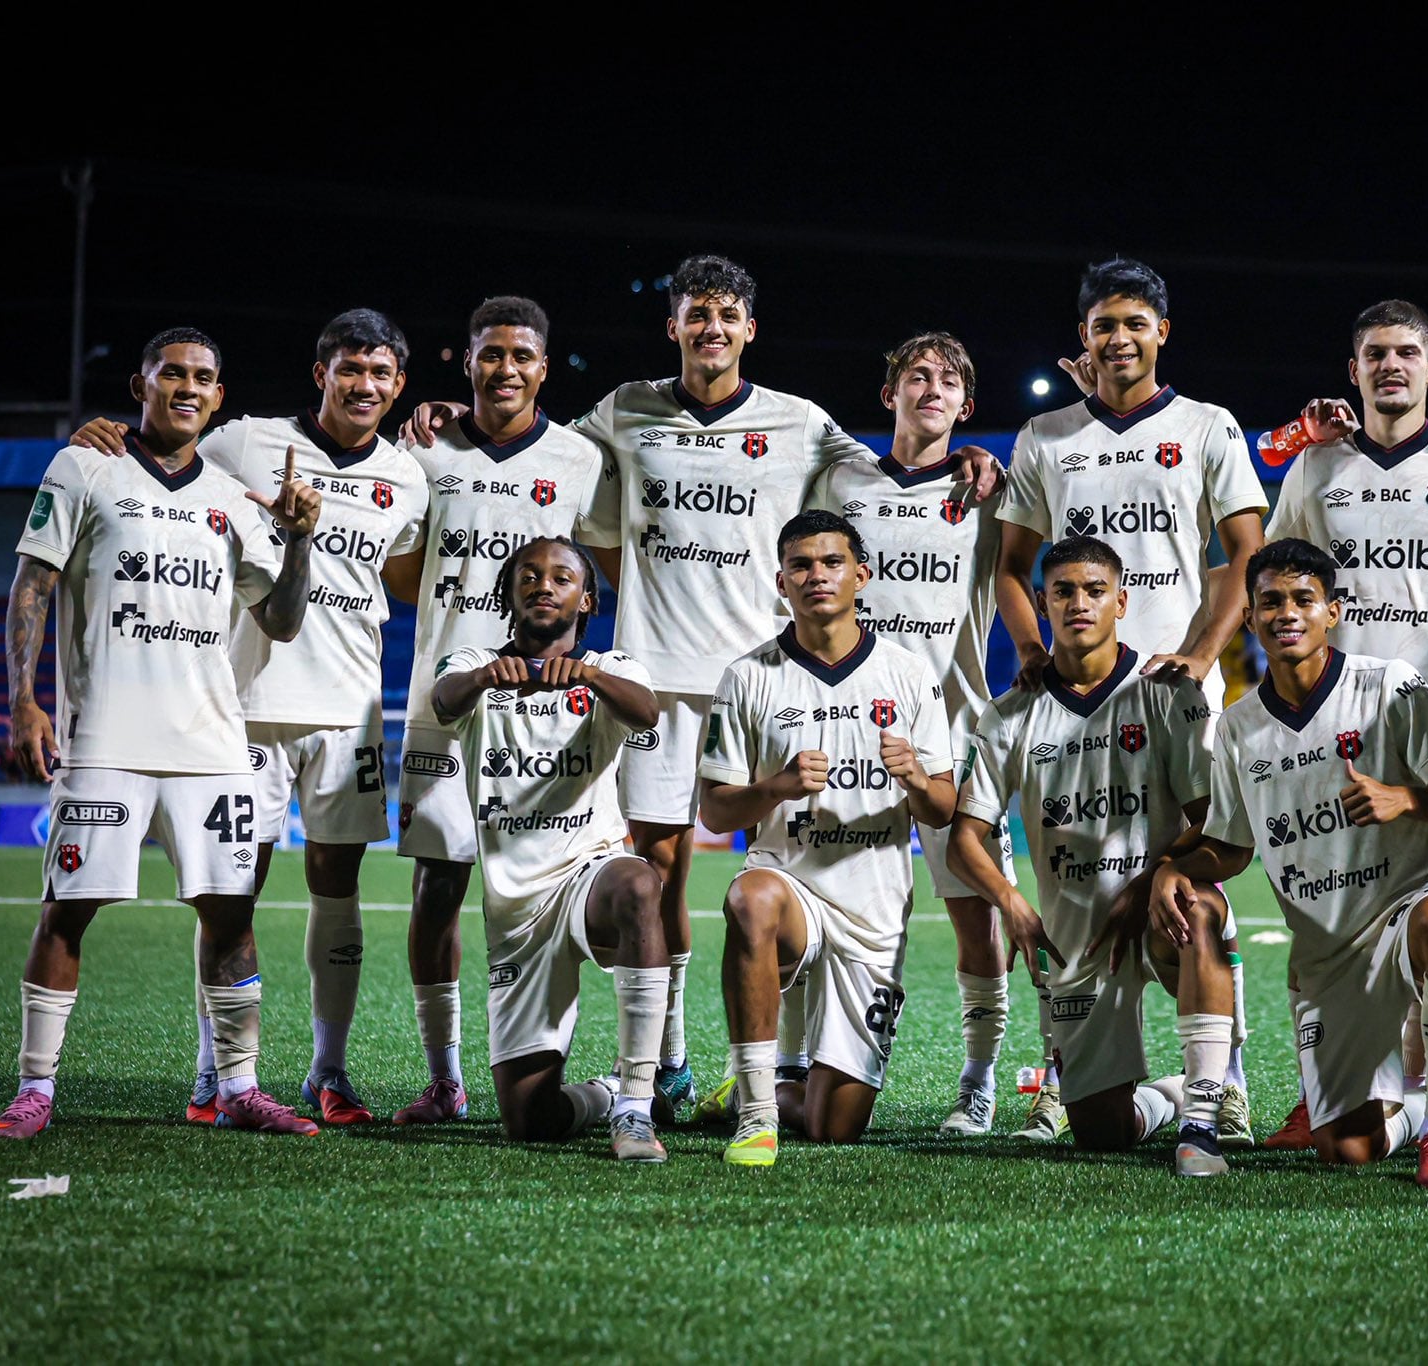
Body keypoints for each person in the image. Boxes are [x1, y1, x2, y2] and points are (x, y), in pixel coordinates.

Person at [406, 257, 1000, 1121]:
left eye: (727, 315)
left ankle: (773, 1069)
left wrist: (971, 455)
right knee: (661, 870)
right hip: (658, 677)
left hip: (764, 680)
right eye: (697, 314)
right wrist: (458, 418)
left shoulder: (799, 422)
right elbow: (541, 438)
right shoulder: (624, 409)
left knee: (783, 866)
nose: (711, 329)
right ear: (674, 326)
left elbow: (894, 462)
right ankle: (672, 1061)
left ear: (749, 329)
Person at [67, 308, 429, 1127]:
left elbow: (403, 570)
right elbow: (167, 446)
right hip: (247, 708)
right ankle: (215, 1076)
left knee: (338, 886)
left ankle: (329, 1072)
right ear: (321, 374)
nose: (364, 385)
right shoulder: (246, 441)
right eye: (349, 369)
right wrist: (109, 430)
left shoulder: (408, 476)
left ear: (399, 384)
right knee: (232, 895)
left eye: (380, 373)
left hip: (349, 712)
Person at [0, 328, 325, 1139]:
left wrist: (300, 541)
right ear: (141, 385)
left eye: (203, 377)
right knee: (68, 909)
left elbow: (280, 621)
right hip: (105, 739)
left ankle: (238, 1087)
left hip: (211, 744)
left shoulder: (233, 499)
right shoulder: (84, 467)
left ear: (218, 396)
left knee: (231, 914)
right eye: (171, 372)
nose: (187, 386)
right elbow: (34, 582)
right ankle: (35, 1088)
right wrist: (23, 701)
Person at [1155, 539, 1428, 1187]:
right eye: (1270, 601)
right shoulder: (1238, 726)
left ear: (1332, 612)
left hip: (1404, 912)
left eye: (1304, 599)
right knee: (1346, 1149)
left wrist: (1404, 798)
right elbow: (1233, 845)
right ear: (1249, 618)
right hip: (1326, 956)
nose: (1286, 613)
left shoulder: (1388, 685)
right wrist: (1174, 866)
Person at [999, 257, 1265, 1145]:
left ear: (1162, 332)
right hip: (1074, 696)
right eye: (1103, 325)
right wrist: (1032, 654)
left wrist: (1200, 654)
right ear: (1083, 336)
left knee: (1195, 875)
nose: (1119, 338)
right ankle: (1065, 1071)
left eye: (1134, 323)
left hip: (1171, 694)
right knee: (1067, 880)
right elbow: (1010, 567)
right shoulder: (1046, 435)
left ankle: (1222, 1080)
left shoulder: (1206, 426)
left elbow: (1243, 555)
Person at [1261, 299, 1428, 1149]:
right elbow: (1279, 577)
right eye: (1375, 354)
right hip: (1332, 736)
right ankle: (1333, 1092)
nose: (1391, 366)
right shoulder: (1316, 467)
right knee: (1323, 924)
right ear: (1354, 369)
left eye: (1407, 352)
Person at [383, 296, 607, 1126]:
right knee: (438, 886)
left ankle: (611, 1070)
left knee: (548, 889)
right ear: (468, 360)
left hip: (544, 719)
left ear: (544, 367)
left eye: (521, 356)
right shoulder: (425, 449)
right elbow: (402, 572)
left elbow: (599, 563)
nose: (505, 369)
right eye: (491, 354)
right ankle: (445, 1079)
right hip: (446, 702)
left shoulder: (579, 457)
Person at [950, 535, 1232, 1177]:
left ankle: (1204, 1119)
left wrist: (1158, 876)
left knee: (1201, 912)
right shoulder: (1009, 714)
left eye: (1095, 590)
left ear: (1121, 602)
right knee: (1101, 1132)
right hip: (1079, 934)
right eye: (1064, 591)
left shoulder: (1167, 692)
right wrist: (1011, 902)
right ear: (1043, 604)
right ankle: (1172, 1097)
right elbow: (965, 837)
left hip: (1159, 906)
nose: (1080, 603)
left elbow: (1209, 822)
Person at [805, 332, 1018, 1136]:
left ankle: (978, 1080)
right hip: (843, 731)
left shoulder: (989, 492)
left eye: (950, 380)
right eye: (917, 376)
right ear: (889, 392)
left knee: (976, 918)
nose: (933, 388)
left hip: (950, 736)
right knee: (826, 909)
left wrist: (985, 462)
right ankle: (800, 1066)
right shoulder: (840, 481)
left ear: (968, 404)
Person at [697, 511, 955, 1166]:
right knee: (751, 897)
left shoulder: (908, 674)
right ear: (781, 581)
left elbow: (943, 809)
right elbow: (717, 813)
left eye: (832, 562)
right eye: (801, 565)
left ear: (861, 575)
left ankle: (759, 1092)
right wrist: (776, 786)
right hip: (791, 890)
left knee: (834, 1126)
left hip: (873, 914)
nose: (817, 575)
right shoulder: (747, 677)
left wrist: (916, 778)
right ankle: (757, 1112)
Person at [430, 537, 669, 1160]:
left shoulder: (614, 666)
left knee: (638, 882)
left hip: (588, 873)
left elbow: (646, 712)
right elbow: (444, 699)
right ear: (509, 594)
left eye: (563, 578)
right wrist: (486, 678)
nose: (544, 585)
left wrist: (591, 676)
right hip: (517, 910)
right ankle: (608, 1093)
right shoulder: (474, 662)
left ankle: (637, 1106)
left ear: (585, 599)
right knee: (529, 1120)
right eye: (530, 576)